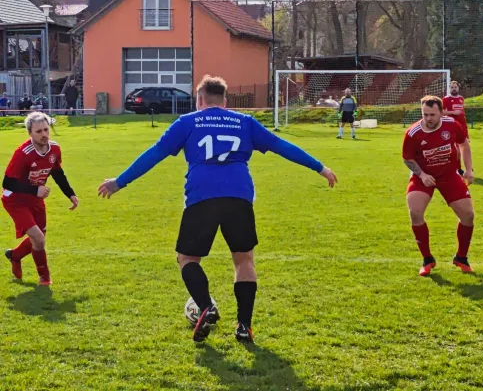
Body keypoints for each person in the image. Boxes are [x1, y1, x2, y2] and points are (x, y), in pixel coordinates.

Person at [97, 75, 338, 343]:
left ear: (199, 100)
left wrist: (119, 182)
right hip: (239, 196)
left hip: (202, 196)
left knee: (187, 259)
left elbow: (155, 154)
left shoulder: (187, 122)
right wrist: (320, 167)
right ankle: (244, 326)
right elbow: (282, 146)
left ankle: (206, 305)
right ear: (224, 101)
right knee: (244, 260)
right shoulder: (244, 122)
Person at [2, 112, 79, 286]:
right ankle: (44, 278)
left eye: (46, 129)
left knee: (39, 238)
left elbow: (58, 173)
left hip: (35, 200)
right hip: (15, 200)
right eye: (39, 131)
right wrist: (35, 189)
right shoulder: (23, 153)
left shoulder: (54, 149)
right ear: (30, 133)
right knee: (39, 238)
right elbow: (7, 182)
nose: (44, 134)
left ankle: (14, 256)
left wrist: (71, 194)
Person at [402, 96, 475, 277]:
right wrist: (422, 174)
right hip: (423, 176)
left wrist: (468, 169)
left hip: (449, 174)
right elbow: (407, 158)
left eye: (432, 115)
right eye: (425, 114)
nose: (428, 118)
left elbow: (464, 144)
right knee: (415, 211)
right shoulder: (413, 133)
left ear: (441, 113)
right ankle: (427, 260)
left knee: (468, 215)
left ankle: (461, 257)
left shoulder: (451, 125)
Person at [443, 81, 468, 175]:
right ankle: (457, 169)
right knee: (456, 150)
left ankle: (463, 168)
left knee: (464, 148)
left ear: (458, 88)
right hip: (452, 127)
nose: (454, 89)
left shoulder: (461, 98)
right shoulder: (446, 99)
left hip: (463, 127)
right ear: (449, 89)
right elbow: (442, 112)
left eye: (455, 87)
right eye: (452, 87)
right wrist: (453, 112)